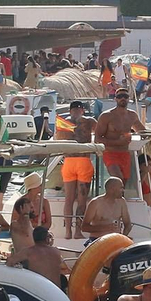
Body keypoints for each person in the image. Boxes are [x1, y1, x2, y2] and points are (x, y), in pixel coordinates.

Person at [55, 100, 97, 238]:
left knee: (69, 199)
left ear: (70, 110)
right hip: (83, 161)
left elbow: (57, 139)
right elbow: (100, 133)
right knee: (81, 199)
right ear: (82, 110)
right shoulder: (89, 120)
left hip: (68, 162)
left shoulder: (62, 123)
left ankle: (68, 232)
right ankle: (78, 232)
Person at [93, 88, 144, 184]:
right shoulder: (106, 116)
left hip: (125, 154)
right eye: (120, 96)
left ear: (129, 99)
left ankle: (119, 199)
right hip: (110, 153)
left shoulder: (132, 115)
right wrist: (118, 142)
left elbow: (143, 132)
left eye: (125, 96)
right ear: (115, 99)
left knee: (123, 184)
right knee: (118, 179)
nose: (123, 98)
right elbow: (97, 139)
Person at [7, 172, 52, 257]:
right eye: (40, 184)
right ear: (34, 187)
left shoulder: (44, 202)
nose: (43, 186)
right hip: (26, 237)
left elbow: (49, 223)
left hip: (41, 237)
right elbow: (15, 223)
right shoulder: (20, 203)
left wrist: (38, 230)